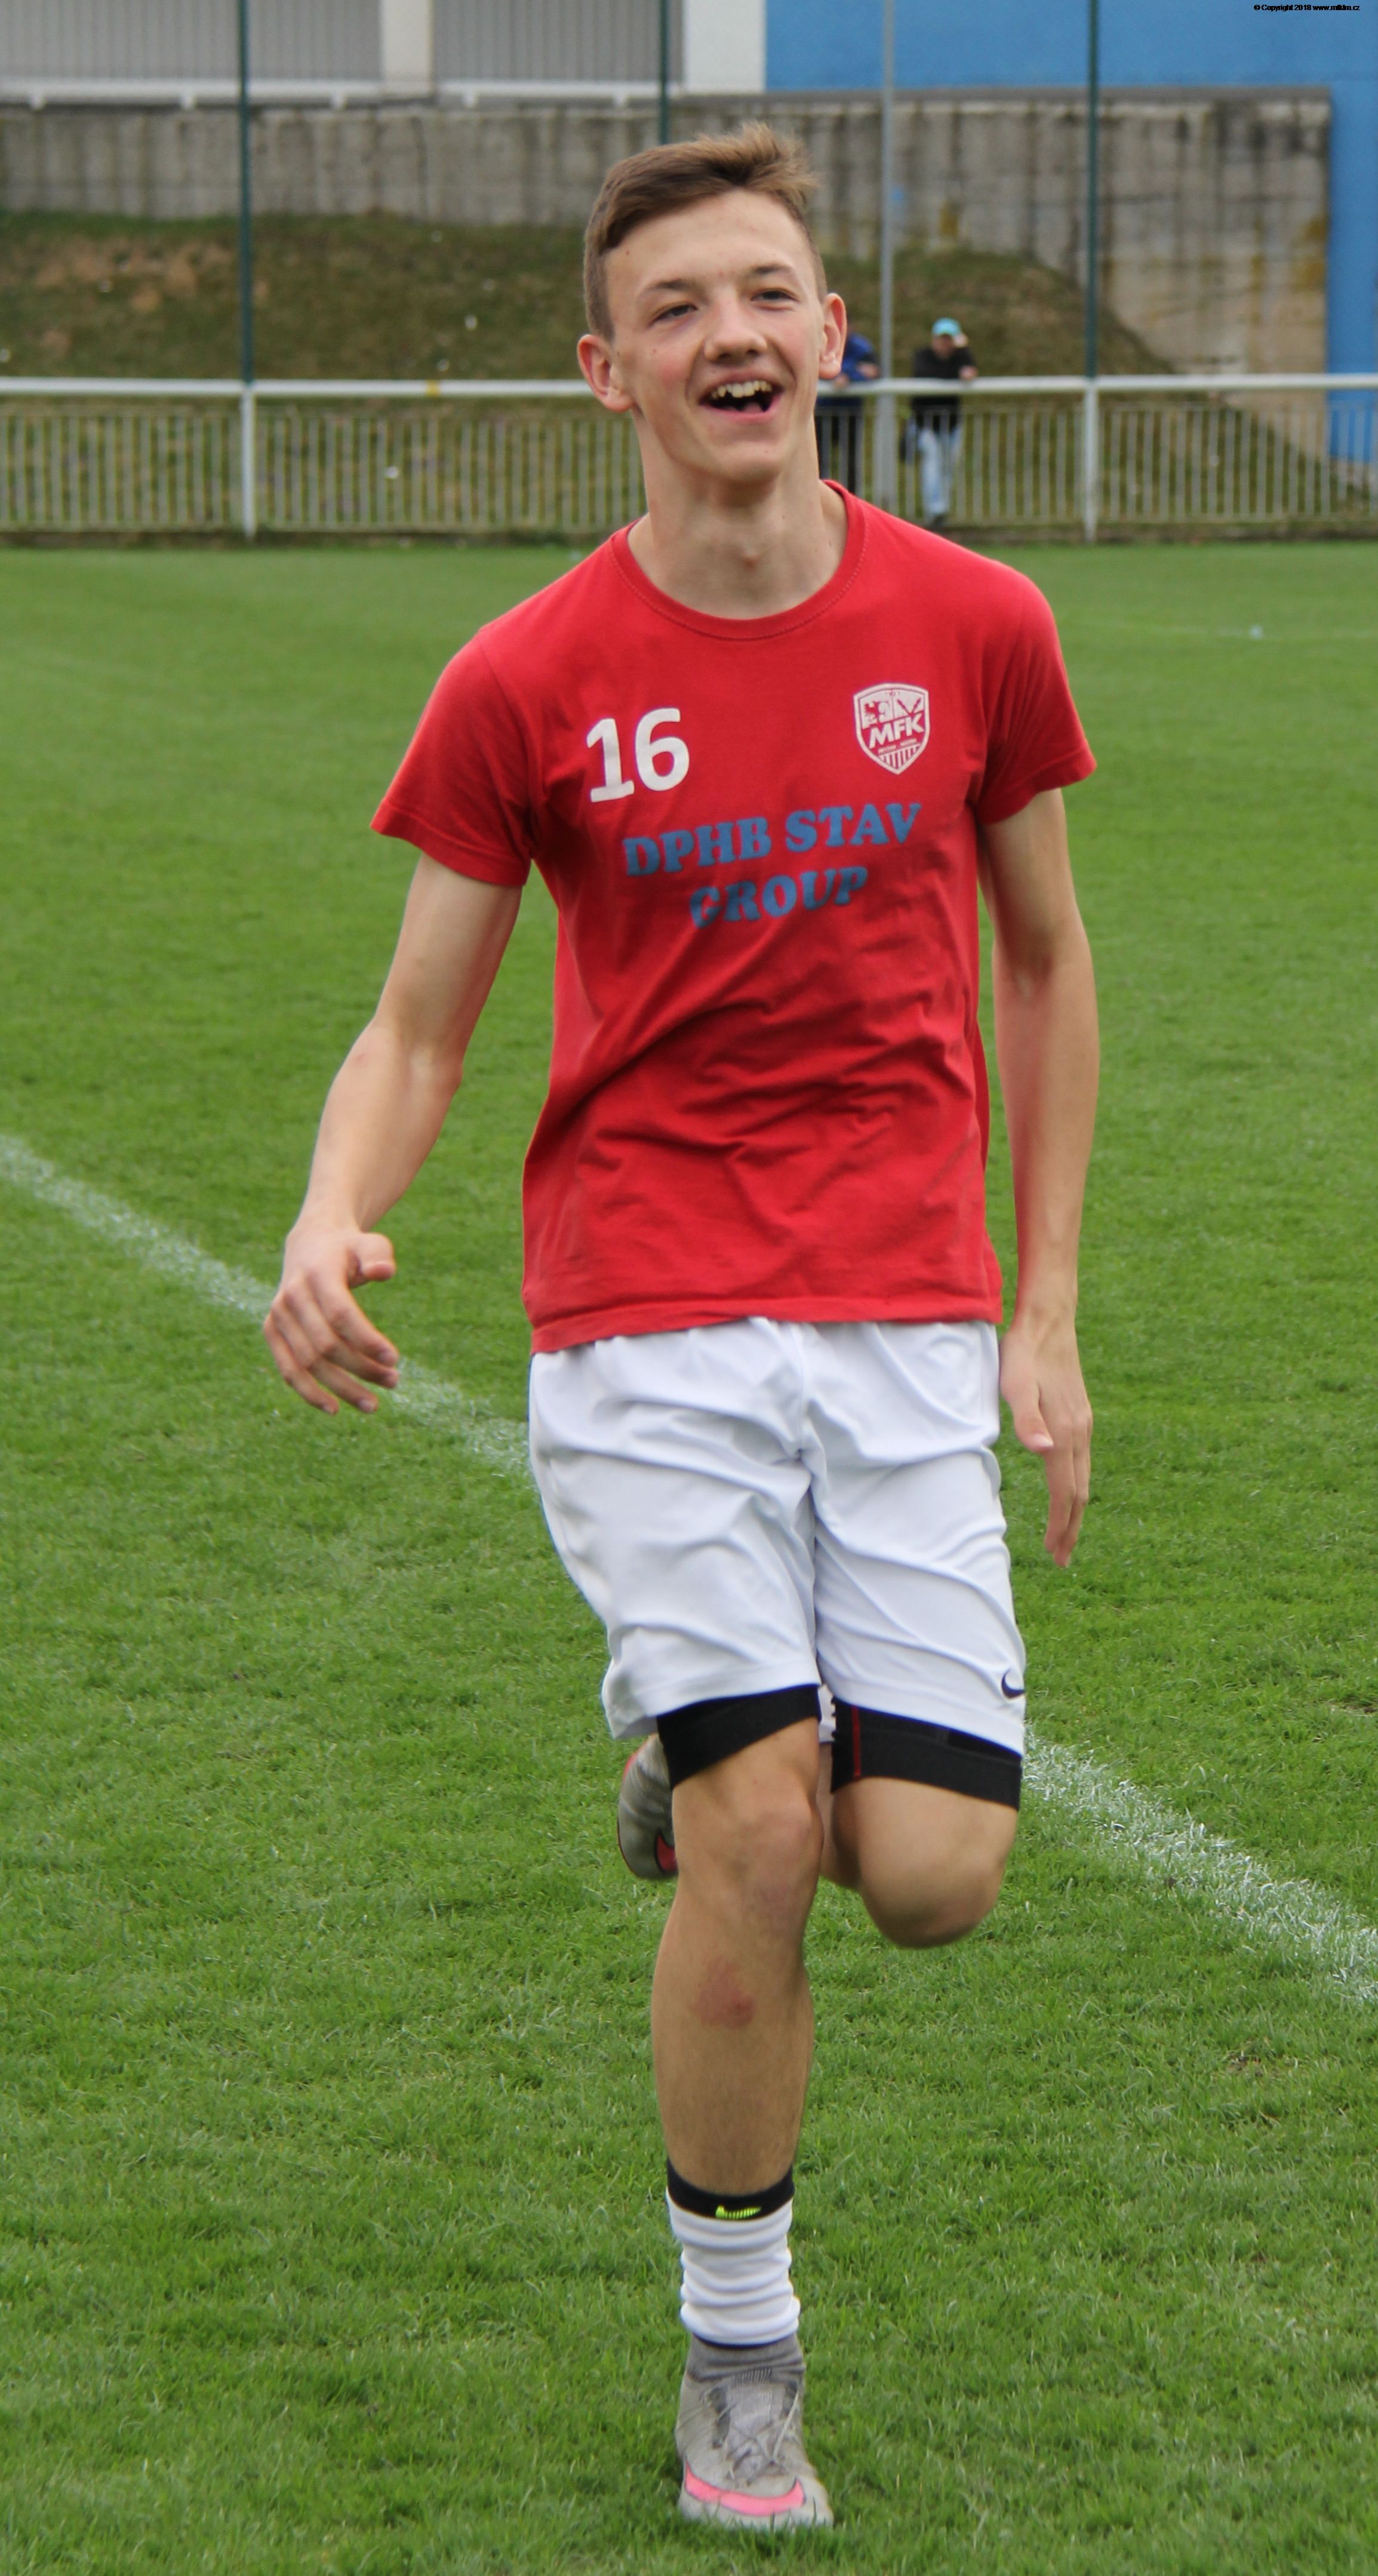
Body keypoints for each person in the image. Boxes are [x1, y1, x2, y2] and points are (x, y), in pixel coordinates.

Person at [264, 123, 1097, 2535]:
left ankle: (697, 1752)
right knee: (762, 1829)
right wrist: (329, 1208)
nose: (729, 334)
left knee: (925, 1871)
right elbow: (419, 1025)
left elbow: (1046, 963)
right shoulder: (525, 675)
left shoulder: (975, 625)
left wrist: (1042, 1305)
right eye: (674, 307)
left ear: (830, 331)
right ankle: (743, 2361)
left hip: (904, 1301)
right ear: (604, 367)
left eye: (764, 292)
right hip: (642, 1312)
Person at [911, 316, 977, 528]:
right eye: (942, 338)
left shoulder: (959, 357)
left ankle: (942, 510)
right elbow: (930, 374)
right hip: (926, 423)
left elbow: (970, 371)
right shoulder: (923, 356)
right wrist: (956, 373)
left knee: (948, 467)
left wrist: (963, 350)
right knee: (932, 463)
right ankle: (935, 510)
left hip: (951, 424)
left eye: (950, 339)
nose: (945, 343)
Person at [813, 323, 878, 493]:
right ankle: (818, 496)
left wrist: (848, 375)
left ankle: (851, 497)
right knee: (819, 459)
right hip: (823, 412)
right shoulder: (820, 344)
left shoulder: (862, 347)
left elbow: (874, 372)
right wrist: (851, 371)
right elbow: (815, 370)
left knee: (851, 459)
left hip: (850, 413)